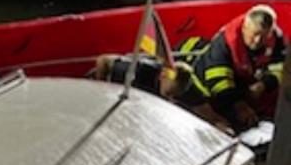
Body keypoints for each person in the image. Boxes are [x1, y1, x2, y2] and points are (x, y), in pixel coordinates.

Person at [194, 4, 286, 129]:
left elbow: (281, 68)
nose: (258, 40)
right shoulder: (224, 43)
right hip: (210, 94)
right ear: (244, 28)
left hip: (246, 88)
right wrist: (239, 106)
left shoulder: (276, 38)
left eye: (263, 36)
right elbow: (219, 83)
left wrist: (264, 84)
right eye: (254, 34)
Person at [93, 54, 232, 131]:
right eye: (168, 92)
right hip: (110, 88)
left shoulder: (186, 87)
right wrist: (103, 90)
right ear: (163, 76)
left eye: (175, 95)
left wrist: (222, 127)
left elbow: (210, 115)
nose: (170, 97)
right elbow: (103, 60)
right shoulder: (141, 71)